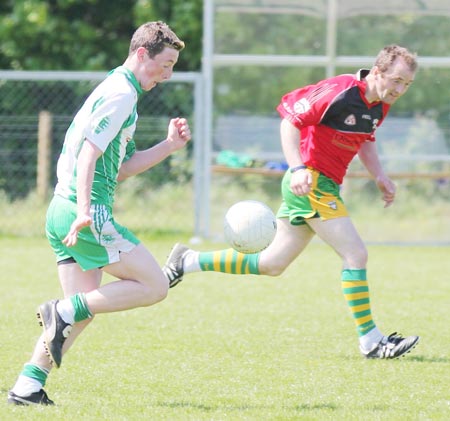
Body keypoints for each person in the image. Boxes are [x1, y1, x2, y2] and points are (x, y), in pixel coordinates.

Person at [163, 45, 419, 360]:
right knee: (355, 254)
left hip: (323, 185)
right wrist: (297, 168)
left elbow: (365, 138)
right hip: (310, 181)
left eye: (406, 85)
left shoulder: (380, 104)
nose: (399, 89)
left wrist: (380, 176)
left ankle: (186, 261)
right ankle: (371, 340)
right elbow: (289, 123)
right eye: (395, 80)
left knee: (272, 264)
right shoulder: (339, 91)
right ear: (377, 72)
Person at [7, 21, 191, 406]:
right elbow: (90, 153)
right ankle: (60, 310)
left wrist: (170, 146)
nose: (168, 74)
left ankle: (28, 386)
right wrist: (87, 211)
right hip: (82, 211)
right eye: (165, 63)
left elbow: (121, 166)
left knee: (83, 309)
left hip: (62, 209)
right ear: (142, 54)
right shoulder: (121, 93)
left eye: (173, 65)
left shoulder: (119, 89)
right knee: (154, 286)